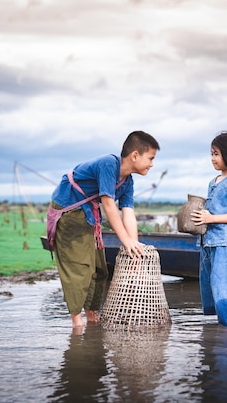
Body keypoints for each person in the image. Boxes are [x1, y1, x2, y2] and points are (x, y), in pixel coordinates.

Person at [50, 130, 160, 328]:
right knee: (80, 267)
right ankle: (77, 323)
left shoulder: (128, 182)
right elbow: (109, 205)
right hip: (69, 211)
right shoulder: (109, 164)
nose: (152, 164)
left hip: (89, 216)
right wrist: (125, 241)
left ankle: (91, 316)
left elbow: (128, 213)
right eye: (151, 158)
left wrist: (133, 247)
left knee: (99, 269)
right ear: (135, 155)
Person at [191, 131, 227, 327]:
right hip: (208, 243)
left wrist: (212, 218)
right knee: (210, 288)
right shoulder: (213, 182)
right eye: (212, 153)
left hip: (223, 244)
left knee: (225, 288)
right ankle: (218, 331)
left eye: (217, 154)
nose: (213, 158)